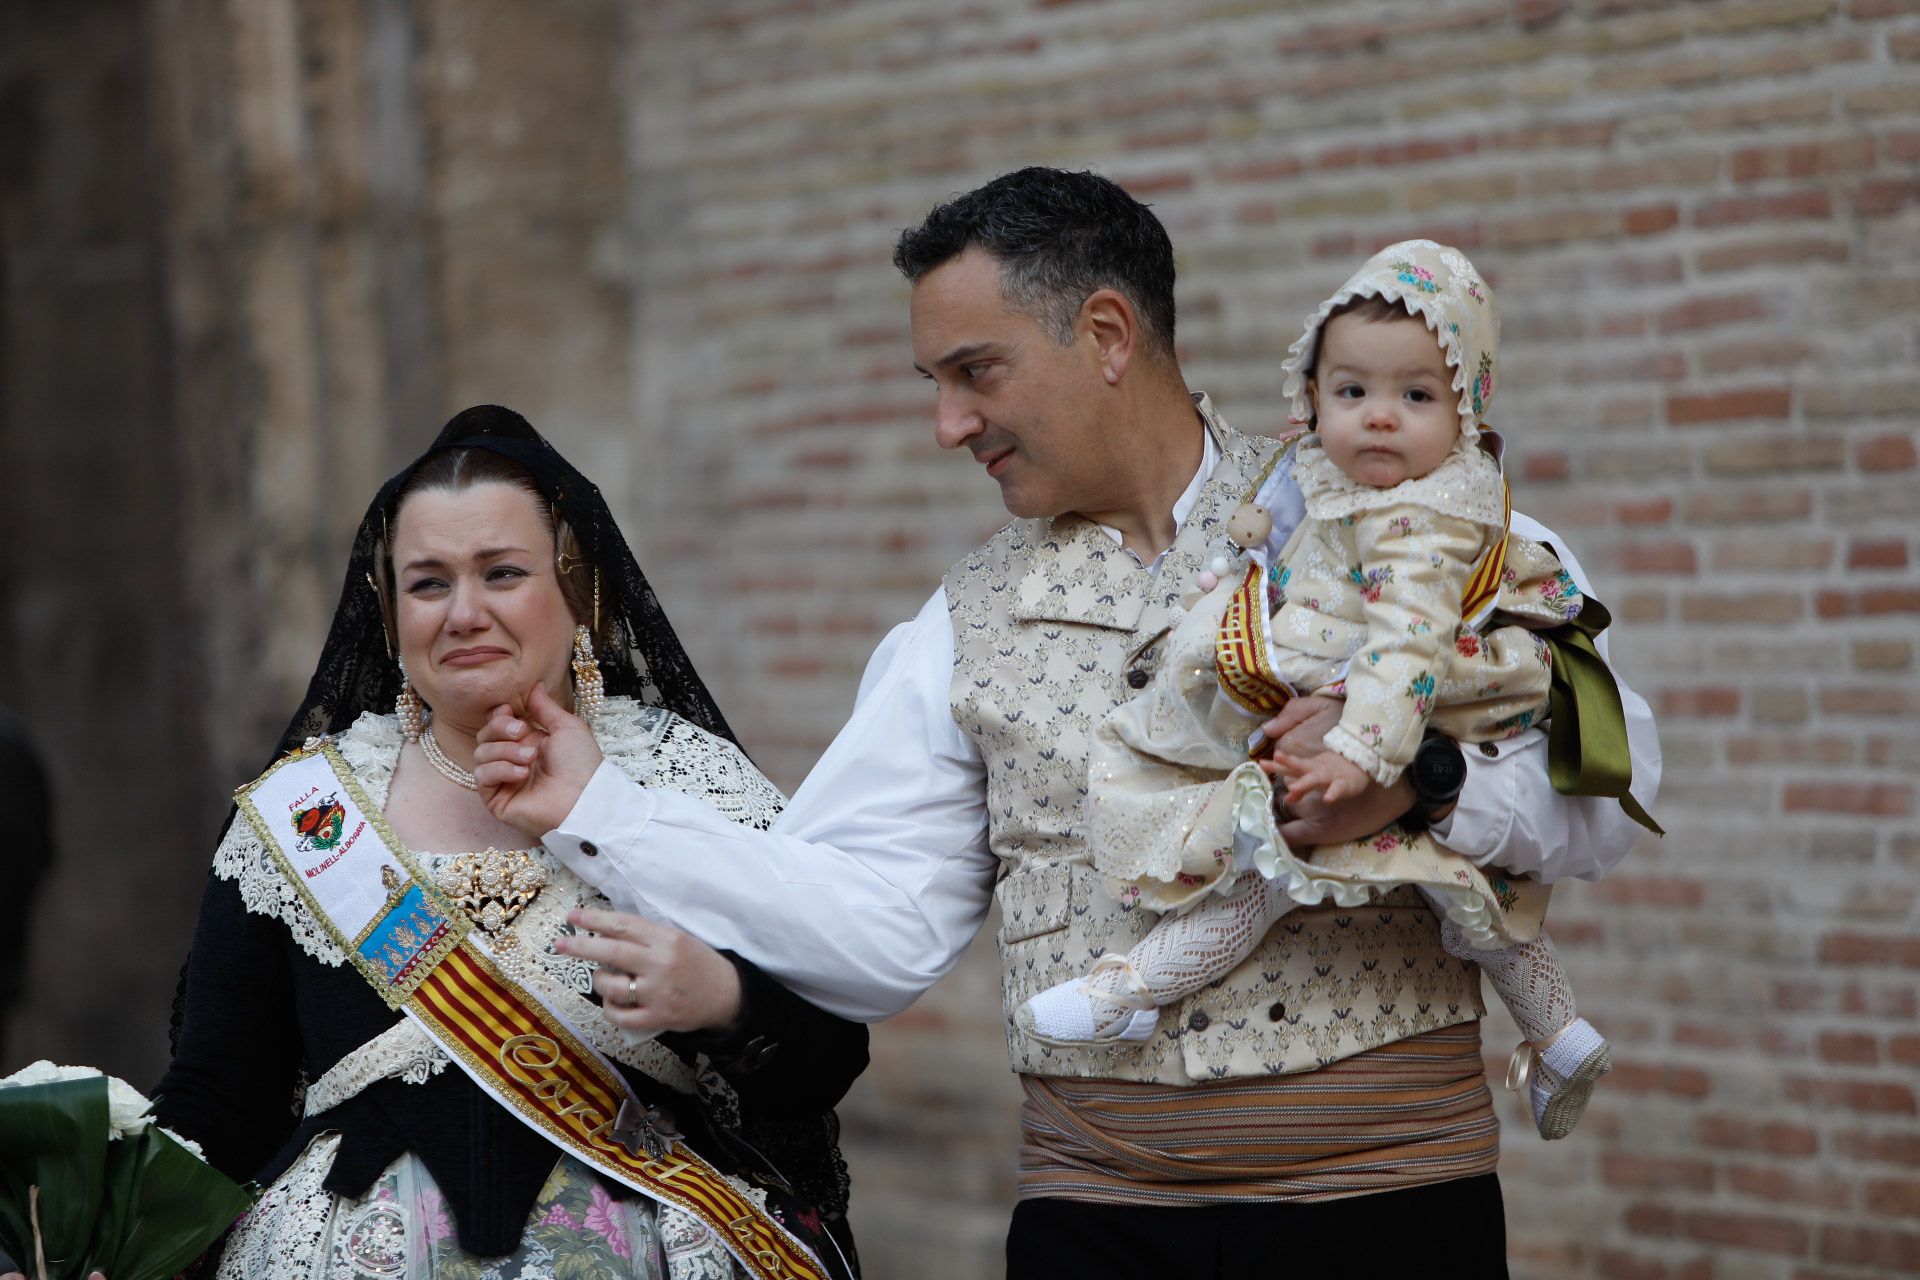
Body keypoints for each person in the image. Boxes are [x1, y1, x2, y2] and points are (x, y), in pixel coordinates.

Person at [470, 169, 1660, 1277]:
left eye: (973, 372)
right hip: (1102, 1228)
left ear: (1103, 335)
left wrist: (1427, 782)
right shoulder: (959, 624)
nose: (947, 423)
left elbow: (1607, 797)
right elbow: (875, 924)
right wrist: (597, 807)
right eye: (933, 383)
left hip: (1397, 1212)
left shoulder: (1401, 519)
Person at [151, 407, 866, 1280]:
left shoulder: (688, 786)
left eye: (501, 572)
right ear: (389, 611)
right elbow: (218, 1102)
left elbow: (825, 1059)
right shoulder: (306, 813)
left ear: (578, 589)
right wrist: (86, 1223)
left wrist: (721, 1000)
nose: (464, 613)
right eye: (427, 583)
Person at [1016, 240, 1652, 1144]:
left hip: (1398, 719)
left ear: (1466, 408)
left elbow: (1406, 650)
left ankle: (1134, 988)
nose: (1380, 420)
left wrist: (1366, 759)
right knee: (1470, 897)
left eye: (1416, 397)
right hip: (1356, 701)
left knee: (1261, 882)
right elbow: (1271, 539)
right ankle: (1561, 1033)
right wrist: (1240, 562)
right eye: (1353, 393)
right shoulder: (1325, 475)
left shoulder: (1425, 520)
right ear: (1312, 396)